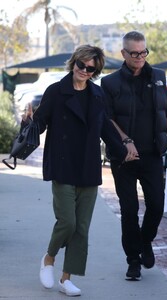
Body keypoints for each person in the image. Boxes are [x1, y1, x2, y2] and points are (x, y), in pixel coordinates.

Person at [23, 45, 134, 297]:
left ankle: (66, 278)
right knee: (68, 222)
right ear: (73, 63)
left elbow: (105, 126)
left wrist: (122, 148)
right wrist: (28, 122)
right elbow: (40, 124)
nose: (84, 70)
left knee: (82, 227)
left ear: (96, 70)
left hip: (88, 164)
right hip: (63, 164)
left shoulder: (97, 94)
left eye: (90, 67)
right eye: (81, 65)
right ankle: (49, 258)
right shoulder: (55, 91)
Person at [101, 31, 167, 281]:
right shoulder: (110, 83)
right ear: (123, 54)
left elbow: (166, 112)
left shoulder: (158, 76)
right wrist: (125, 142)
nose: (139, 57)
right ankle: (133, 260)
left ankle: (145, 241)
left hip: (153, 154)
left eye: (143, 52)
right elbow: (107, 119)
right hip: (123, 158)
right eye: (134, 53)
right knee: (129, 209)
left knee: (157, 205)